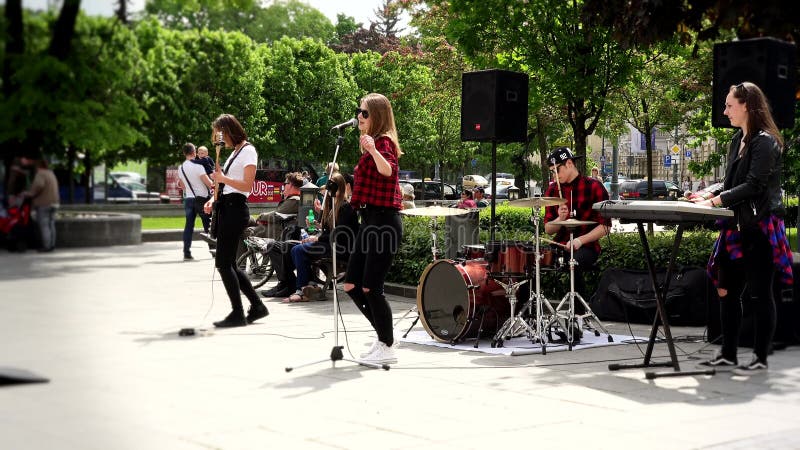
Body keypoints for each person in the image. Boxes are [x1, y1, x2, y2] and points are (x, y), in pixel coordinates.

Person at [693, 82, 793, 374]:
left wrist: (716, 201)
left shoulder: (766, 142)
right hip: (735, 227)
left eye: (729, 106)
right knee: (725, 289)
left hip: (759, 227)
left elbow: (754, 185)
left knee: (760, 294)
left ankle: (760, 357)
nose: (724, 111)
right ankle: (728, 354)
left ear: (746, 105)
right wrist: (706, 194)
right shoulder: (736, 140)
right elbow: (729, 183)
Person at [344, 93, 404, 365]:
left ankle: (387, 344)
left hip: (383, 221)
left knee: (372, 288)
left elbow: (388, 171)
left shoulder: (384, 143)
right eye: (359, 111)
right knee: (351, 284)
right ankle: (385, 335)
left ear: (377, 116)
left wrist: (373, 150)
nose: (359, 116)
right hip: (369, 221)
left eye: (364, 112)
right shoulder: (373, 144)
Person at [204, 114, 269, 328]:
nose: (219, 138)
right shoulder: (235, 152)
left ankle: (238, 312)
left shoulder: (248, 150)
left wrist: (222, 178)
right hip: (227, 206)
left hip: (236, 209)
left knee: (223, 263)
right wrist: (211, 198)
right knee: (229, 263)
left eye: (220, 133)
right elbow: (227, 185)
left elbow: (247, 185)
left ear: (229, 130)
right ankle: (256, 305)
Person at [543, 147, 610, 341]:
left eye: (557, 170)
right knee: (530, 258)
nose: (555, 176)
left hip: (586, 246)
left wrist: (580, 240)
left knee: (574, 262)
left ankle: (576, 319)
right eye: (552, 172)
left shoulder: (594, 187)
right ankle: (529, 318)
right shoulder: (552, 190)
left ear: (570, 164)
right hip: (560, 245)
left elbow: (605, 227)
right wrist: (558, 218)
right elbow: (548, 229)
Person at [285, 173, 359, 302]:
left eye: (329, 189)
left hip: (340, 248)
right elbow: (328, 230)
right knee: (294, 248)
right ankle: (309, 284)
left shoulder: (346, 208)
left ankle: (303, 288)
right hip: (330, 244)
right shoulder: (333, 206)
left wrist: (317, 239)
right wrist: (316, 224)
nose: (327, 193)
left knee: (298, 250)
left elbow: (338, 233)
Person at [177, 143, 213, 261]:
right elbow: (209, 184)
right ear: (194, 153)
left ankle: (186, 252)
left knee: (188, 226)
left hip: (189, 199)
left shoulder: (181, 167)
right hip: (202, 199)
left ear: (184, 153)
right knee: (208, 225)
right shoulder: (199, 166)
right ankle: (213, 250)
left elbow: (182, 186)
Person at [21, 157, 59, 252]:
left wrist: (29, 193)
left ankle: (46, 246)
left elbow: (39, 185)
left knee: (44, 225)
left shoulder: (41, 174)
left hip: (44, 203)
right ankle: (52, 245)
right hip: (54, 202)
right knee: (51, 224)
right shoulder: (51, 173)